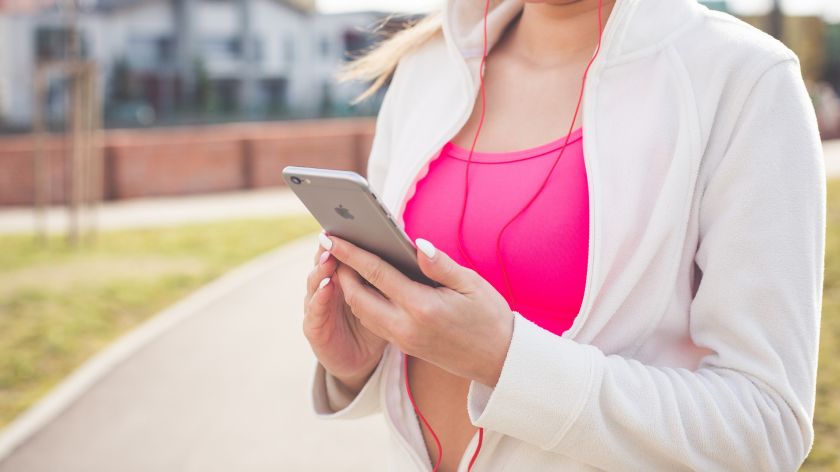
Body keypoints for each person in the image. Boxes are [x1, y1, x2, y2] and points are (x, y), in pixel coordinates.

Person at [302, 0, 825, 470]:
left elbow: (766, 425)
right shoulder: (427, 66)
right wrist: (361, 365)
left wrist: (507, 361)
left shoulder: (744, 79)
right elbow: (427, 355)